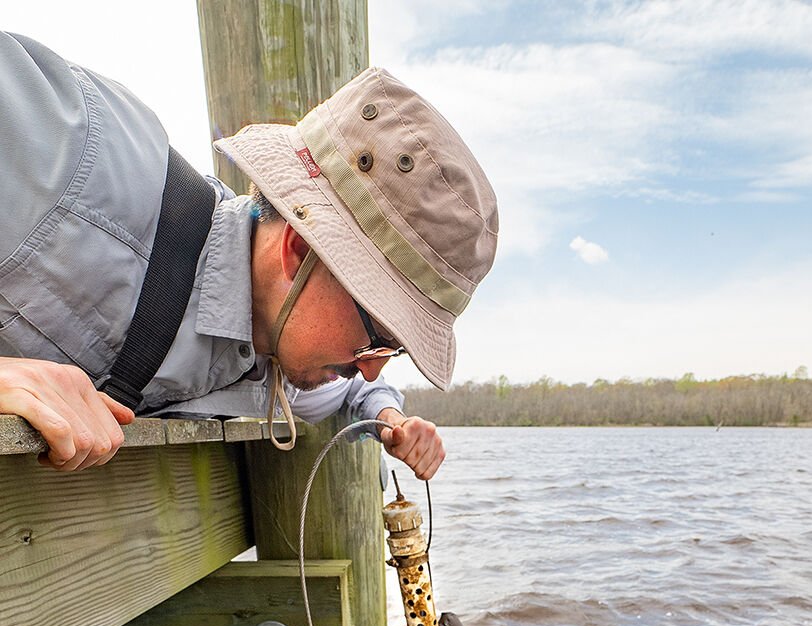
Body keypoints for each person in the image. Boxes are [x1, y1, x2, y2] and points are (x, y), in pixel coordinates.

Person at [0, 32, 498, 478]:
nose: (370, 367)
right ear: (300, 249)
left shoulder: (279, 347)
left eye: (393, 351)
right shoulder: (79, 151)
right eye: (378, 338)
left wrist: (390, 417)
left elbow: (349, 394)